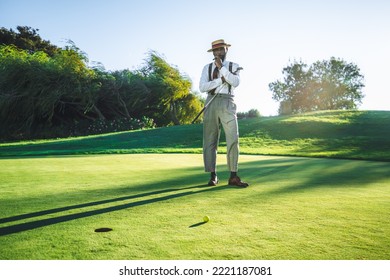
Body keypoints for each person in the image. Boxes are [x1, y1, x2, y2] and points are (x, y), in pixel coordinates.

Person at [199, 39, 249, 188]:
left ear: (226, 49)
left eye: (221, 49)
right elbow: (202, 87)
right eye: (216, 50)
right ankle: (213, 175)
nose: (218, 52)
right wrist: (220, 81)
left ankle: (233, 176)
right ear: (213, 53)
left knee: (233, 137)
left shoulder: (234, 66)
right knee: (210, 140)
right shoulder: (206, 68)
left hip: (228, 102)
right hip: (210, 102)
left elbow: (235, 82)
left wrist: (222, 69)